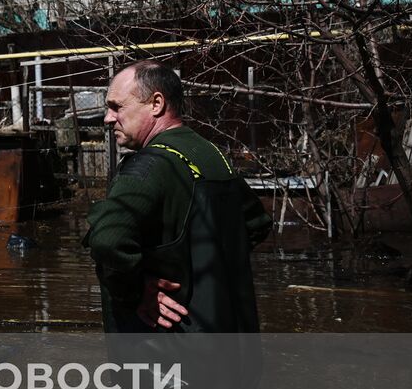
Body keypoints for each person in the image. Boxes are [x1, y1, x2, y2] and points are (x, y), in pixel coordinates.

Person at [84, 60, 271, 334]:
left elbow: (107, 241)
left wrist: (136, 291)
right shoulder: (213, 155)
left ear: (156, 104)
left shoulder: (148, 167)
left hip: (169, 359)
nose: (108, 118)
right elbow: (257, 225)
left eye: (117, 107)